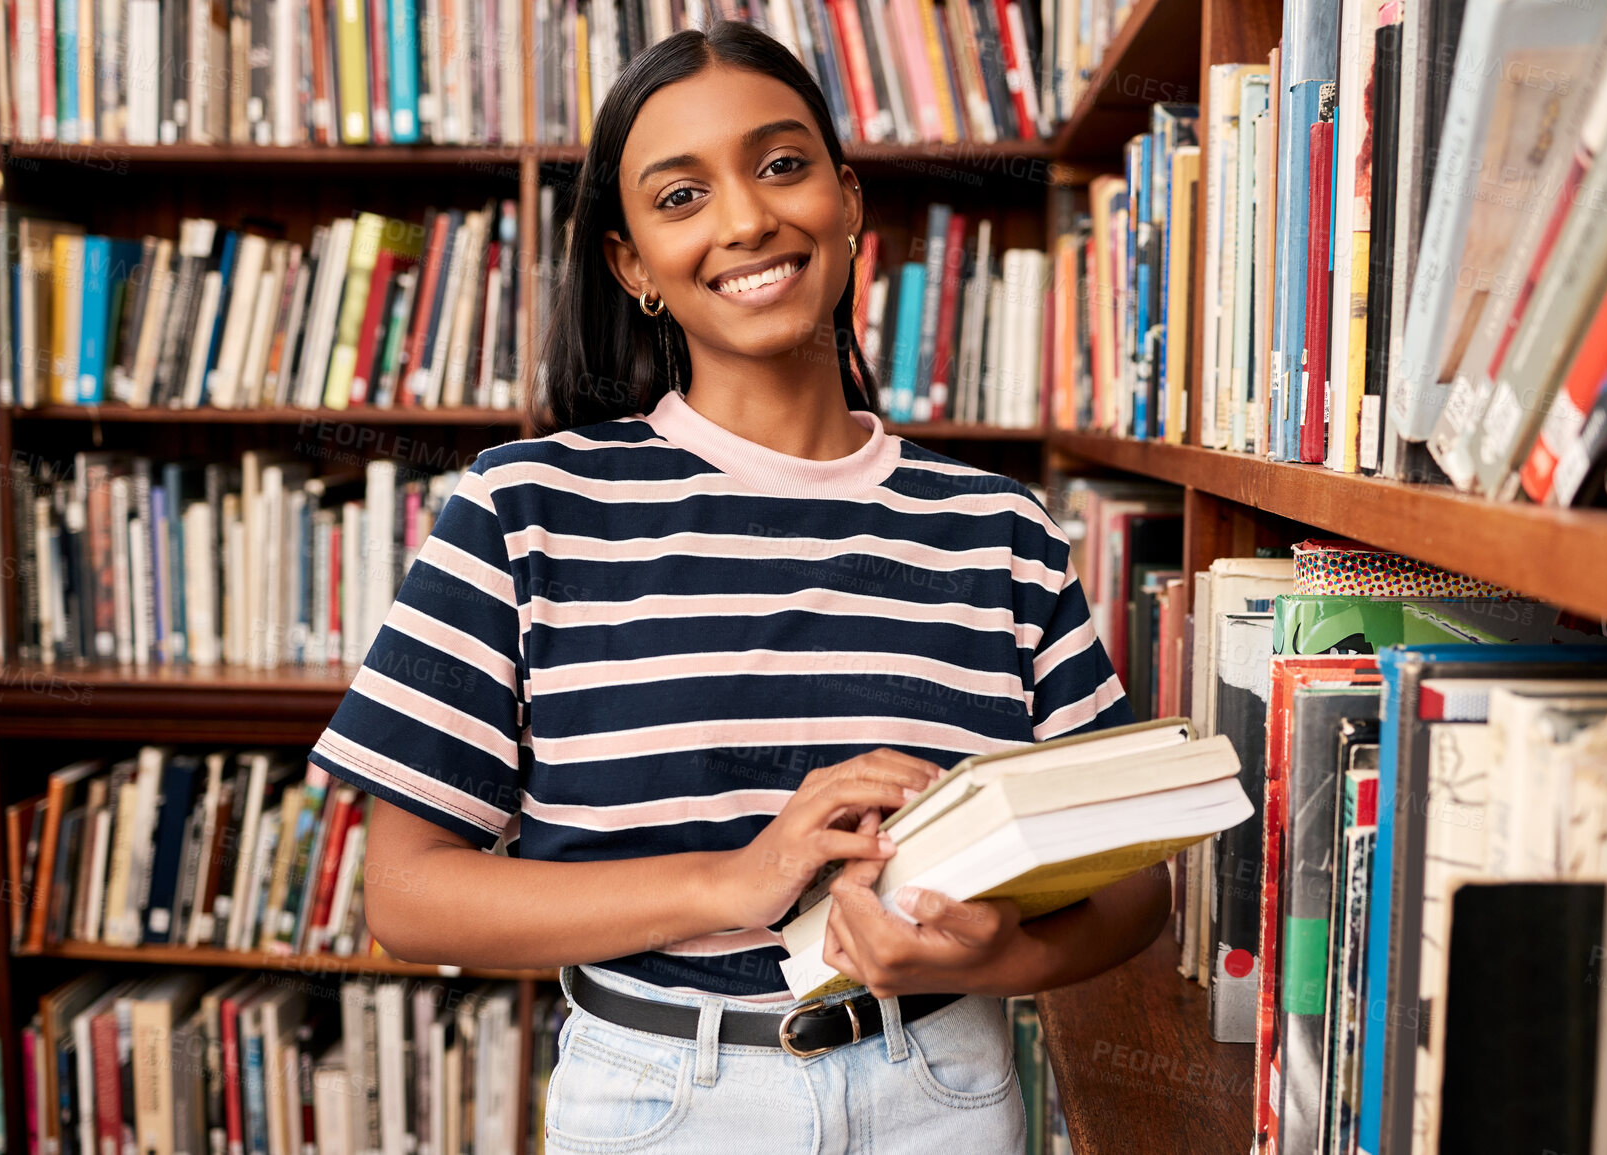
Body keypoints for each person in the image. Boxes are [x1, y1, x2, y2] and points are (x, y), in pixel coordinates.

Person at [307, 19, 1170, 1152]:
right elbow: (409, 899)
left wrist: (989, 954)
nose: (747, 219)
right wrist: (742, 878)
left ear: (849, 200)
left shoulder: (994, 527)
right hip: (661, 1098)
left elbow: (1131, 886)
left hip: (947, 1085)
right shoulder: (525, 510)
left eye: (781, 165)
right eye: (680, 197)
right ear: (632, 265)